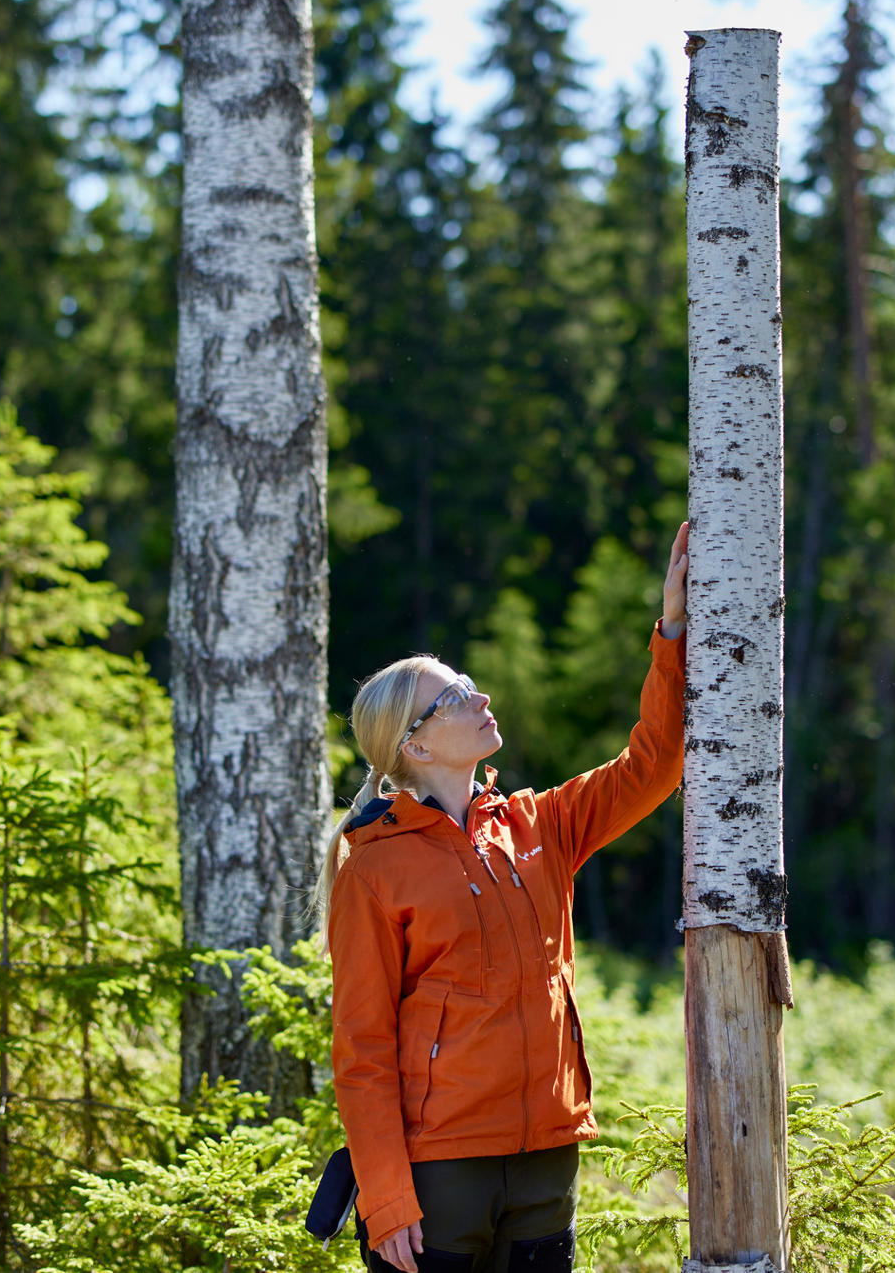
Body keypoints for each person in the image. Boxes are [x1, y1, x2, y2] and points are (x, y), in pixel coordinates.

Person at [315, 524, 690, 1273]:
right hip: (440, 1174)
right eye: (453, 697)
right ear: (413, 747)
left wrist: (674, 630)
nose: (479, 695)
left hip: (549, 1154)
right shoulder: (373, 869)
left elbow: (654, 763)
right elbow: (363, 1049)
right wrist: (386, 1198)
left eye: (466, 683)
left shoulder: (538, 823)